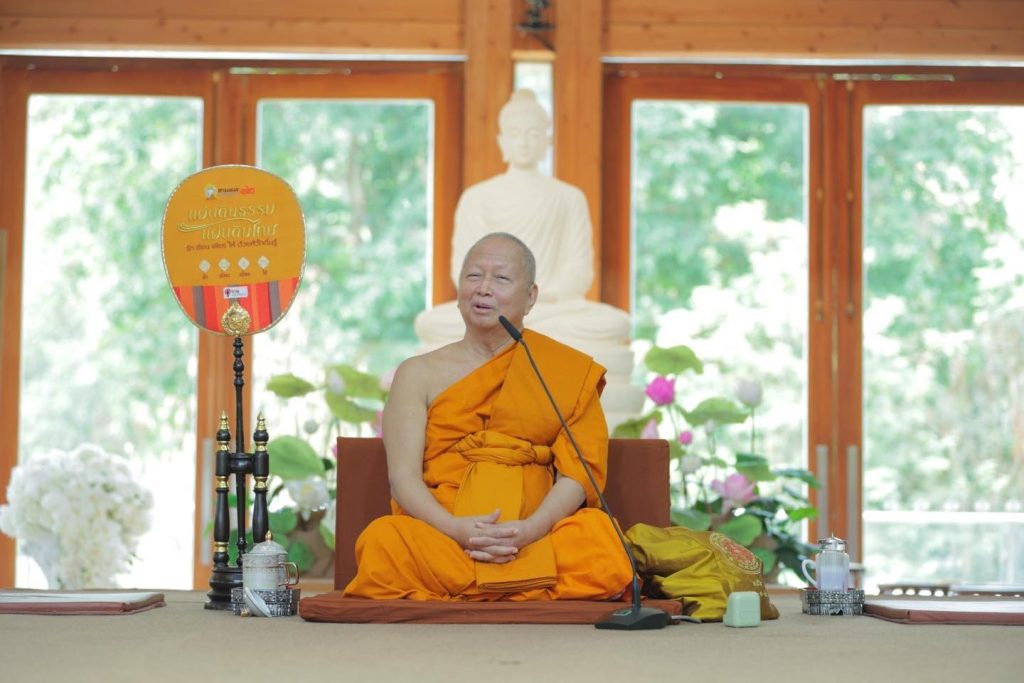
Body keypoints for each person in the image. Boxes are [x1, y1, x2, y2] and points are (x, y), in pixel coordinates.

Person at [343, 233, 633, 600]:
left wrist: (529, 530)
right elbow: (403, 478)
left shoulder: (564, 371)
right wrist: (455, 529)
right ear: (459, 290)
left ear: (530, 297)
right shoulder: (418, 373)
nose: (483, 288)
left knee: (600, 542)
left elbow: (577, 475)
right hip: (444, 536)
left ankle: (478, 588)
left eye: (501, 278)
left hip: (535, 538)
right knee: (383, 542)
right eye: (474, 276)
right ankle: (522, 587)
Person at [414, 89, 642, 427]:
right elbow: (462, 273)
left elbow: (579, 272)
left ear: (546, 140)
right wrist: (502, 301)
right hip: (494, 314)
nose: (524, 142)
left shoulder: (568, 198)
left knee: (613, 324)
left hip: (550, 308)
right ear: (502, 140)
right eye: (516, 133)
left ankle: (521, 336)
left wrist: (536, 298)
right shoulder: (478, 198)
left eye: (533, 134)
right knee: (432, 323)